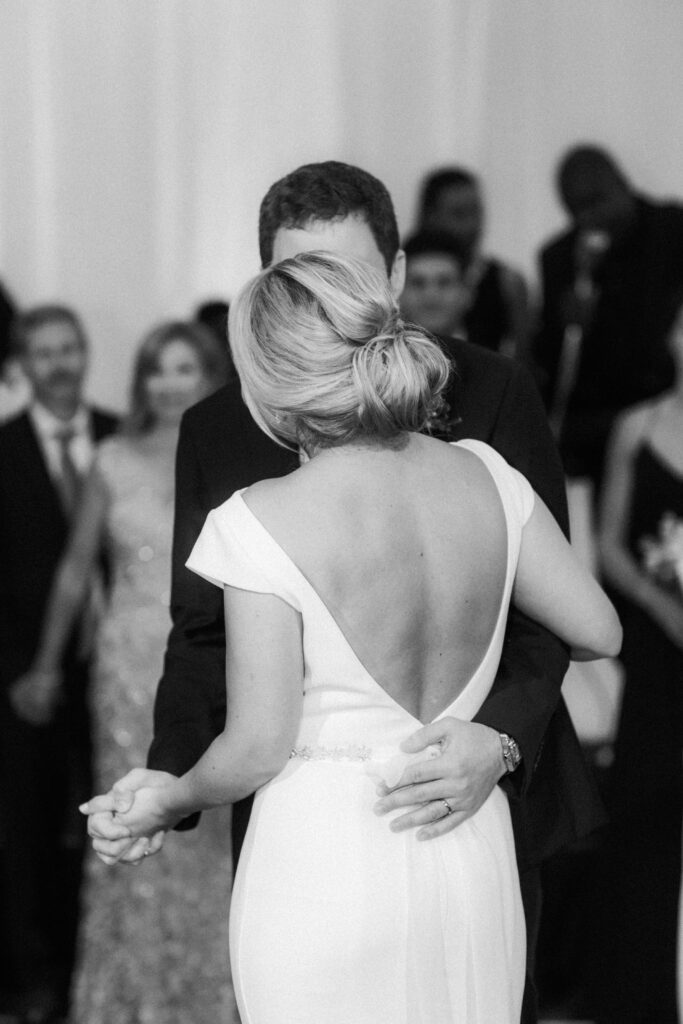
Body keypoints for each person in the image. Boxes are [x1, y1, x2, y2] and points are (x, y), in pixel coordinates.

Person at [85, 161, 605, 1023]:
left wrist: (500, 739)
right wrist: (168, 769)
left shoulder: (266, 513)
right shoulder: (478, 472)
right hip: (458, 861)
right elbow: (595, 626)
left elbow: (257, 746)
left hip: (375, 835)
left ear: (392, 279)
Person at [15, 322, 236, 1023]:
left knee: (208, 820)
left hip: (213, 661)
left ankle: (212, 994)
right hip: (126, 669)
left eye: (184, 369)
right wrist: (47, 666)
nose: (169, 383)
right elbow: (76, 572)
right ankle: (128, 998)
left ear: (210, 378)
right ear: (141, 382)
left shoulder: (237, 459)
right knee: (132, 815)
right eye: (156, 370)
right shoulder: (111, 457)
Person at [0, 305, 118, 1021]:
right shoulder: (2, 450)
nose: (60, 363)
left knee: (113, 819)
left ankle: (96, 967)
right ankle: (36, 979)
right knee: (31, 828)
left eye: (70, 348)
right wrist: (18, 673)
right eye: (44, 353)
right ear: (22, 364)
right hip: (27, 677)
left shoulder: (121, 436)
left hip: (120, 669)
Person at [592, 293, 683, 1023]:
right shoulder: (637, 425)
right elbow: (610, 549)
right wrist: (660, 607)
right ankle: (635, 996)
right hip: (657, 650)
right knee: (645, 807)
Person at [533, 144, 683, 491]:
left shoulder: (672, 231)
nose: (590, 217)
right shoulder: (560, 258)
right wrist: (569, 324)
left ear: (622, 184)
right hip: (601, 419)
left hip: (665, 404)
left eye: (598, 200)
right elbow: (553, 365)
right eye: (576, 209)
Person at [417, 166, 531, 358]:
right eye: (459, 214)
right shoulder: (399, 274)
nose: (472, 225)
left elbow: (523, 360)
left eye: (476, 212)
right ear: (431, 217)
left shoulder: (506, 282)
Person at [400, 229, 469, 339]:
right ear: (399, 293)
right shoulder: (375, 355)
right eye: (418, 283)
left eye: (444, 283)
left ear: (466, 292)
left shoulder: (495, 354)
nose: (431, 295)